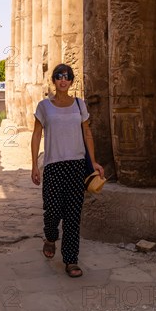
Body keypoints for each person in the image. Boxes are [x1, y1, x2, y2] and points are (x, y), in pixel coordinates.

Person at [31, 63, 105, 277]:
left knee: (73, 215)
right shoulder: (44, 107)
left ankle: (71, 260)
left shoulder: (80, 106)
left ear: (72, 81)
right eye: (59, 77)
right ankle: (50, 237)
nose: (63, 80)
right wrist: (34, 164)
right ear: (53, 81)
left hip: (76, 165)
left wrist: (94, 162)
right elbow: (36, 135)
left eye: (67, 77)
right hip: (53, 165)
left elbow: (87, 134)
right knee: (53, 211)